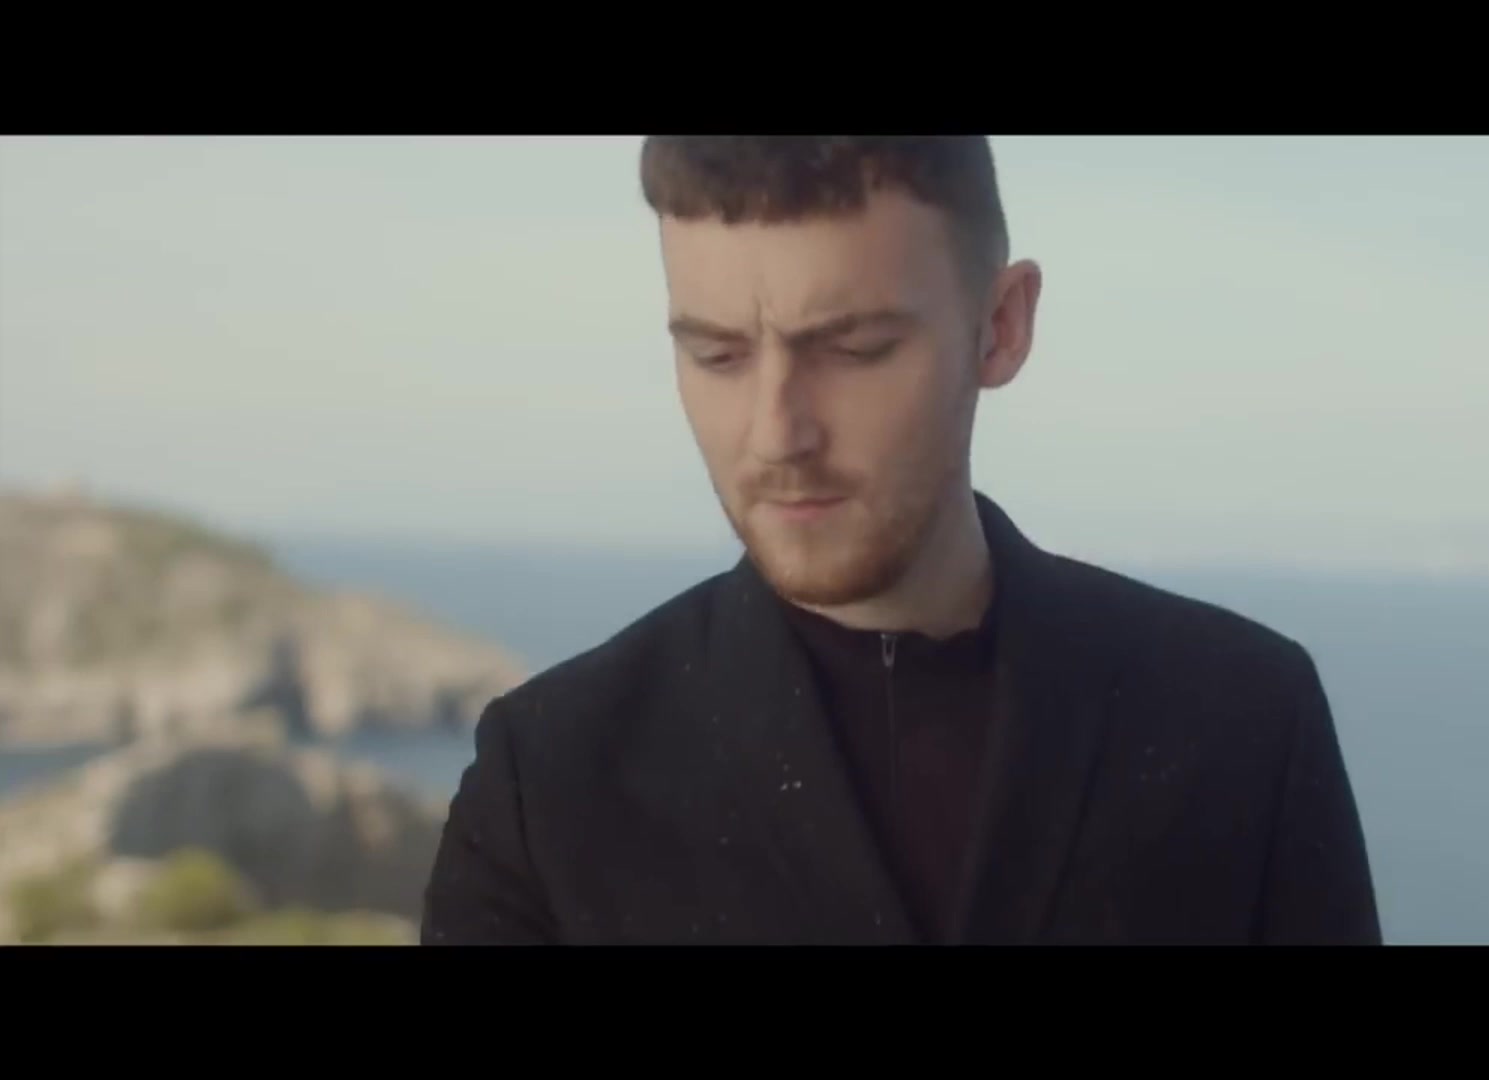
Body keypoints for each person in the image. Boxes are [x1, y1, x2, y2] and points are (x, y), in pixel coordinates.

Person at [420, 136, 1381, 946]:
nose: (776, 435)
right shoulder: (546, 784)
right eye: (717, 354)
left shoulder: (1248, 724)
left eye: (854, 349)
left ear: (1000, 327)